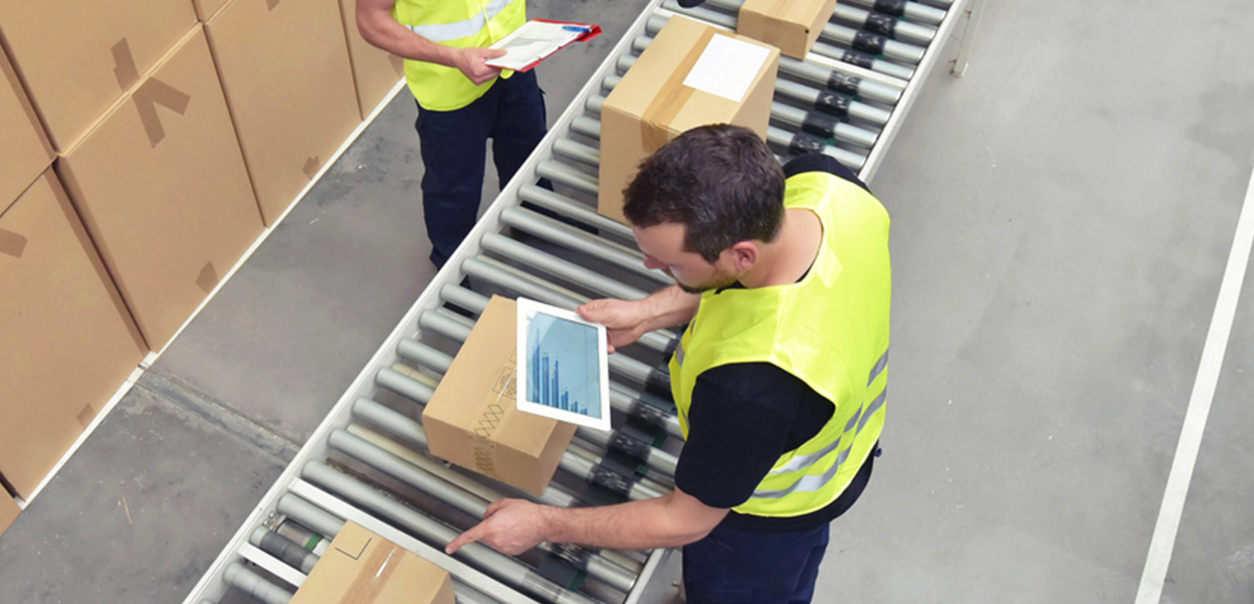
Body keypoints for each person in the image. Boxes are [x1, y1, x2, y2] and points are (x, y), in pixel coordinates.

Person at [445, 124, 892, 603]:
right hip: (838, 451)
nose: (652, 270)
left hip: (766, 521)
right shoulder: (828, 187)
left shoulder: (751, 388)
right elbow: (749, 284)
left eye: (673, 265)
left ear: (741, 254)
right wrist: (647, 313)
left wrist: (543, 522)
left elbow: (685, 521)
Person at [357, 0, 549, 268]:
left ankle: (534, 219)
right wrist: (454, 57)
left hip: (514, 60)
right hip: (449, 85)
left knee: (528, 151)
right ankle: (452, 267)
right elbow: (372, 23)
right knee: (454, 190)